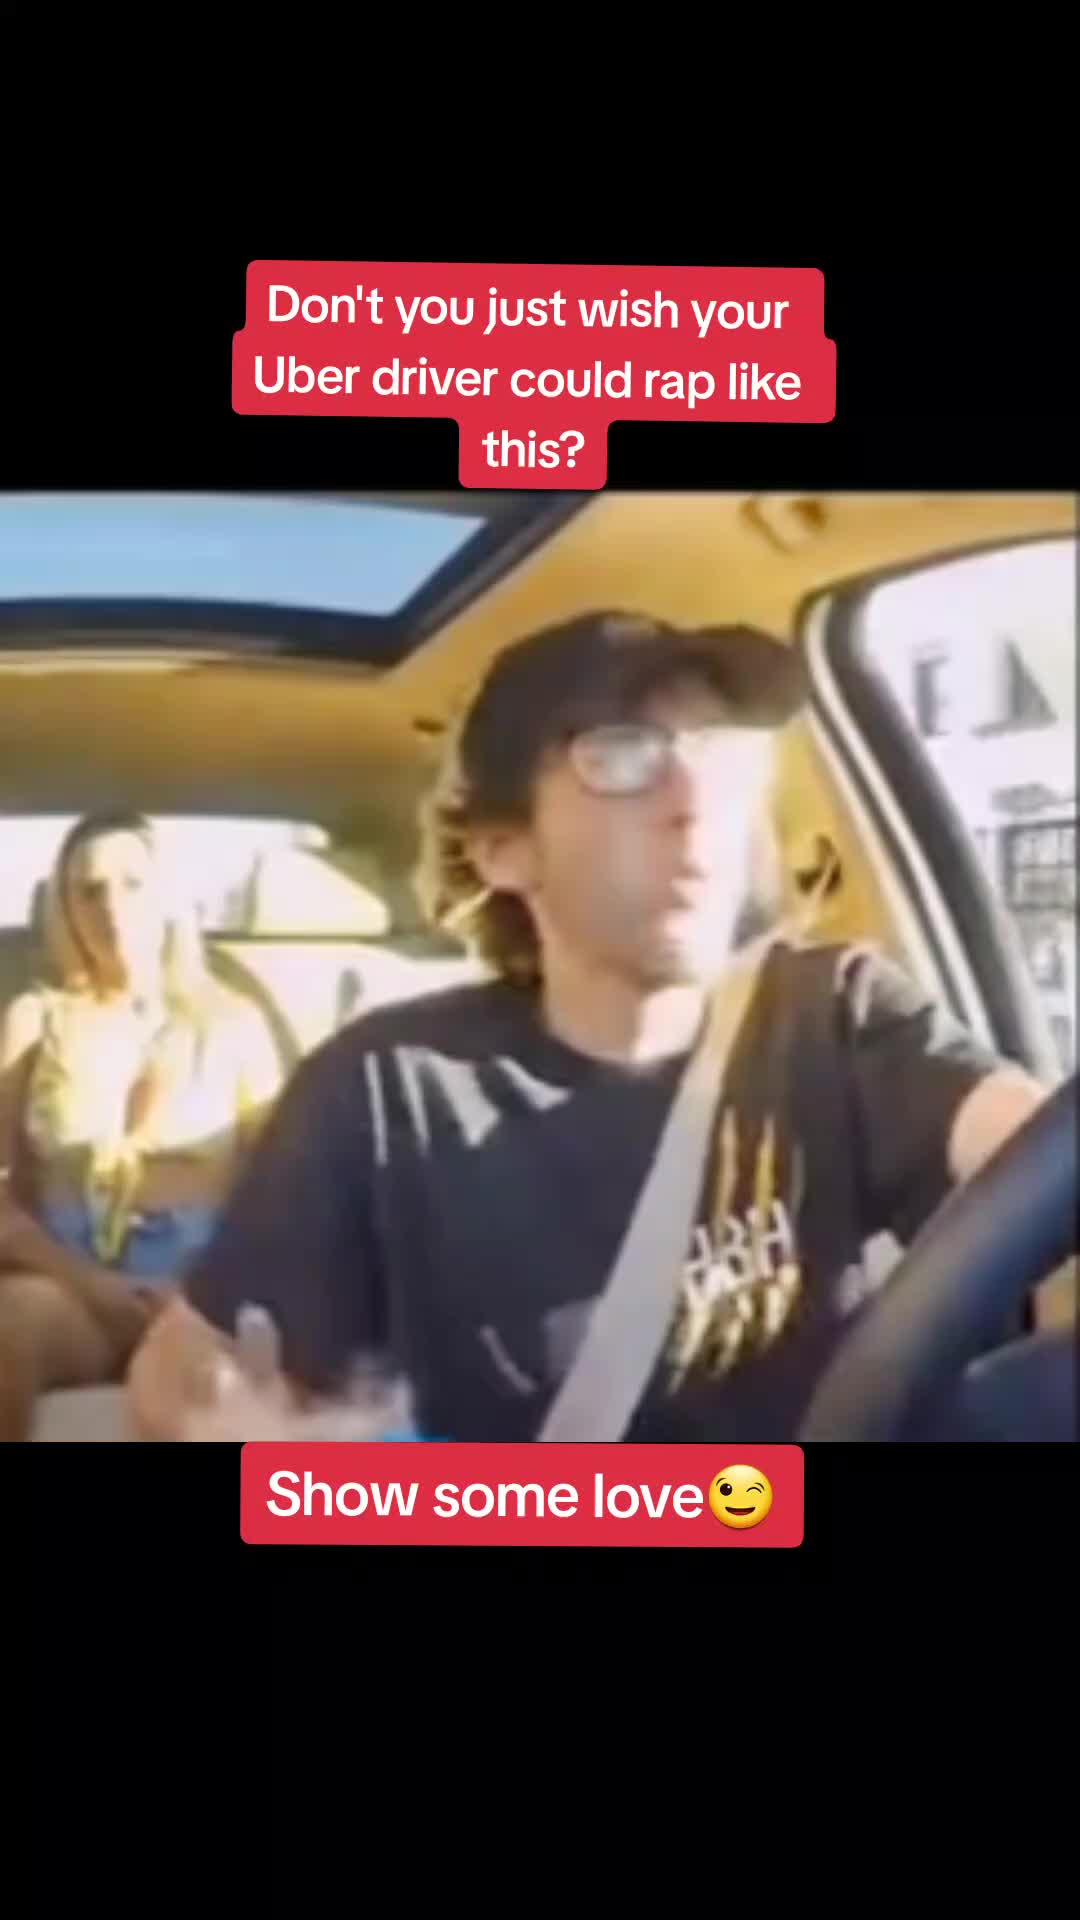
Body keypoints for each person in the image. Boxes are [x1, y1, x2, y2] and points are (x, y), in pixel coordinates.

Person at [129, 614, 1051, 1444]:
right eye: (621, 757)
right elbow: (176, 1374)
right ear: (505, 850)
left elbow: (1038, 1158)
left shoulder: (836, 1014)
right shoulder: (384, 1085)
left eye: (716, 754)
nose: (693, 800)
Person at [0, 811, 283, 1439]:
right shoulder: (34, 1020)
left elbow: (284, 1194)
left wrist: (202, 1291)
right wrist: (88, 1283)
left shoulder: (235, 1024)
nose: (111, 907)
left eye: (132, 884)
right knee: (10, 1325)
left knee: (212, 1383)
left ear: (169, 899)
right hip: (69, 1284)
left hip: (202, 1288)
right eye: (89, 890)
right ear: (64, 911)